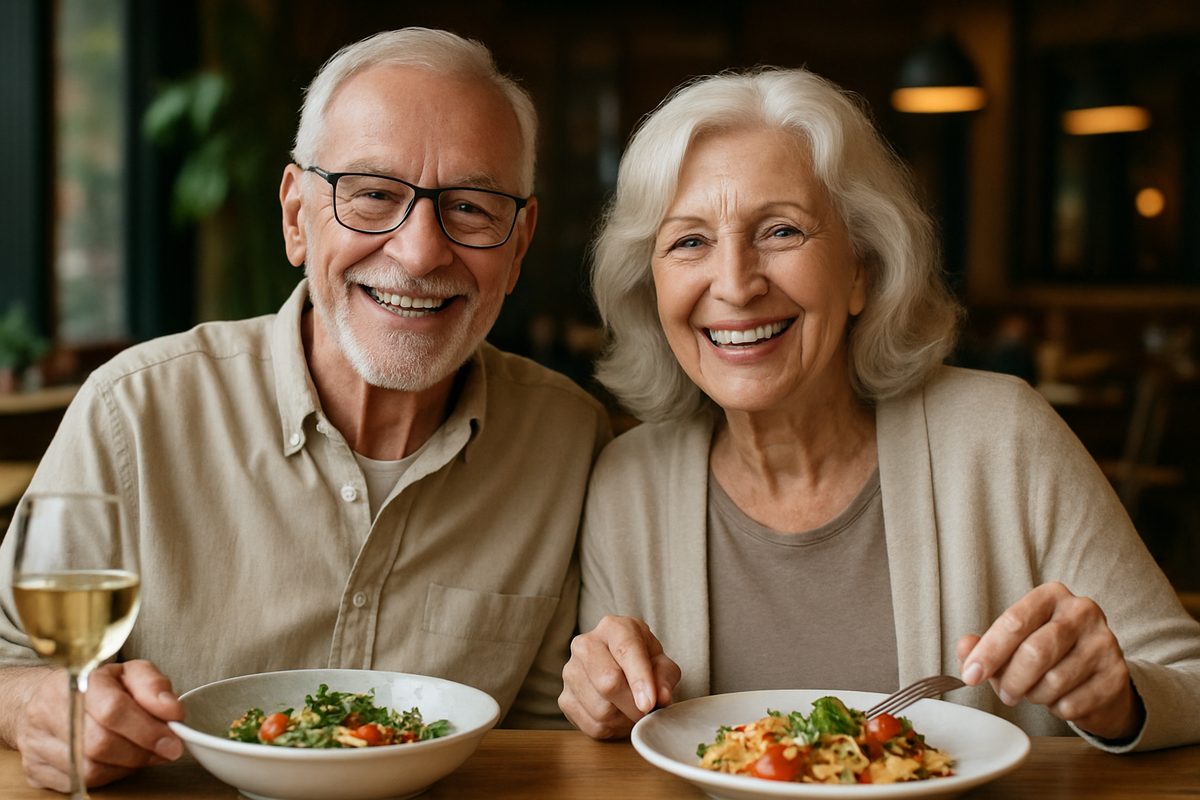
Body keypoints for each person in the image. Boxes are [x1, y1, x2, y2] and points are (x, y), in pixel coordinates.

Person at [0, 28, 611, 791]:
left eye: (471, 207)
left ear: (518, 246)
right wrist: (38, 707)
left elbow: (554, 734)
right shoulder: (136, 412)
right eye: (373, 196)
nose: (419, 253)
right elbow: (8, 658)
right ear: (296, 217)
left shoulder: (570, 440)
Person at [560, 67, 1200, 751]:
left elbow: (1186, 675)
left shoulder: (1003, 436)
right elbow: (613, 740)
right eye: (690, 241)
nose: (736, 284)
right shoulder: (627, 485)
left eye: (780, 231)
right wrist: (601, 704)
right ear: (652, 286)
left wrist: (1121, 699)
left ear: (861, 267)